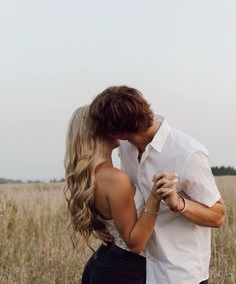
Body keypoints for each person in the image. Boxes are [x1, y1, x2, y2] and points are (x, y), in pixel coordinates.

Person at [90, 85, 225, 284]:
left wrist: (179, 203)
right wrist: (102, 225)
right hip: (139, 268)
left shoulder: (188, 153)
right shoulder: (125, 148)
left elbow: (218, 215)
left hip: (179, 274)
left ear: (119, 132)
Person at [64, 105, 176, 284]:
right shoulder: (116, 179)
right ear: (98, 132)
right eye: (108, 123)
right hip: (124, 271)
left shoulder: (90, 177)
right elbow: (136, 244)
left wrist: (102, 228)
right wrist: (154, 199)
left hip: (105, 262)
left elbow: (108, 219)